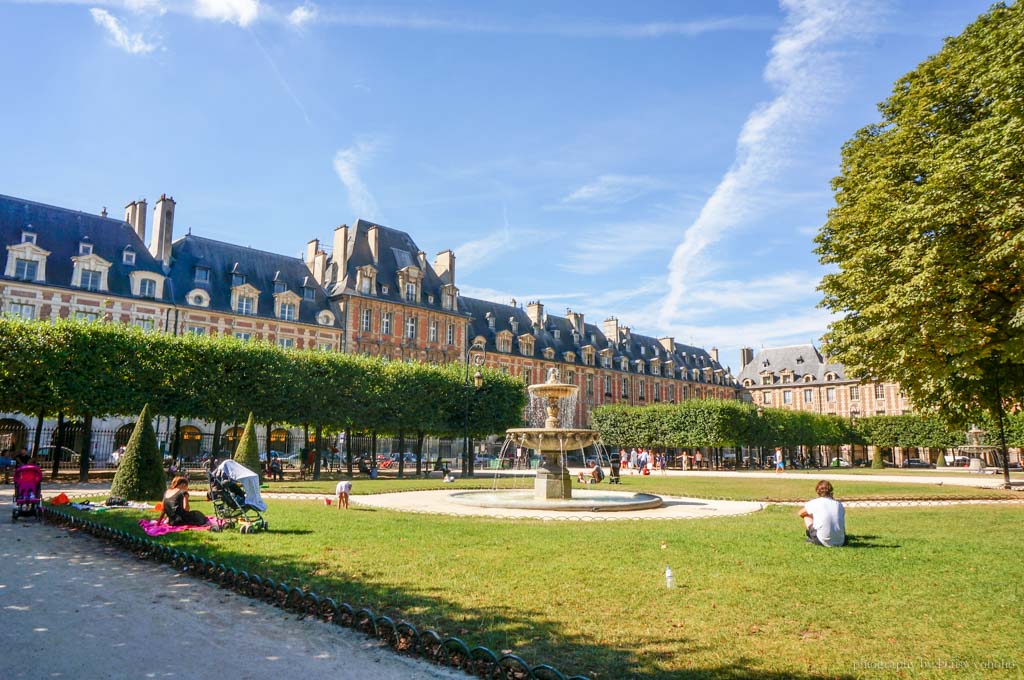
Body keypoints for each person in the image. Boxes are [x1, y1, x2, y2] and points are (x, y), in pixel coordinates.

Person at [799, 480, 846, 547]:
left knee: (806, 516)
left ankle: (811, 536)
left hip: (822, 541)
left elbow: (800, 513)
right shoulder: (839, 504)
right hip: (841, 541)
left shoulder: (815, 502)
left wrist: (813, 516)